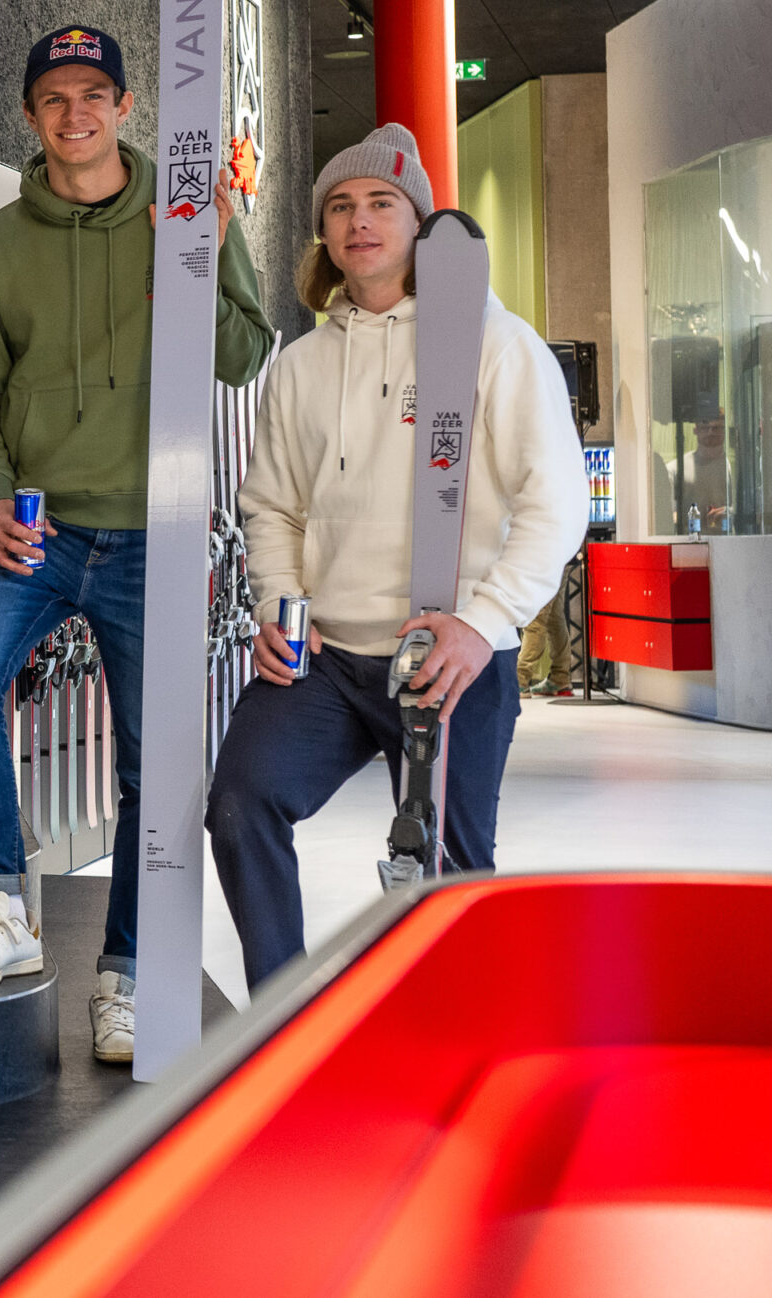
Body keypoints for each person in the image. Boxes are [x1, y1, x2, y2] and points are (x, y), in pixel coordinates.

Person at [0, 23, 271, 1065]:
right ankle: (5, 909)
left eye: (93, 95)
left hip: (151, 530)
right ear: (31, 116)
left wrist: (213, 250)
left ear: (126, 107)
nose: (74, 114)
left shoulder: (182, 214)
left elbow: (242, 353)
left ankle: (122, 975)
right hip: (40, 522)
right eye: (52, 99)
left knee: (148, 762)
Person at [208, 125, 588, 988]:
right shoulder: (301, 367)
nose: (359, 221)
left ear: (420, 224)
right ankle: (284, 1014)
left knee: (452, 871)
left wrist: (482, 623)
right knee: (240, 803)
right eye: (339, 206)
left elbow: (556, 503)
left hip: (446, 659)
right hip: (329, 657)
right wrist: (278, 607)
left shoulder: (497, 345)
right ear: (324, 236)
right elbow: (270, 506)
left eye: (382, 203)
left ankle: (454, 1045)